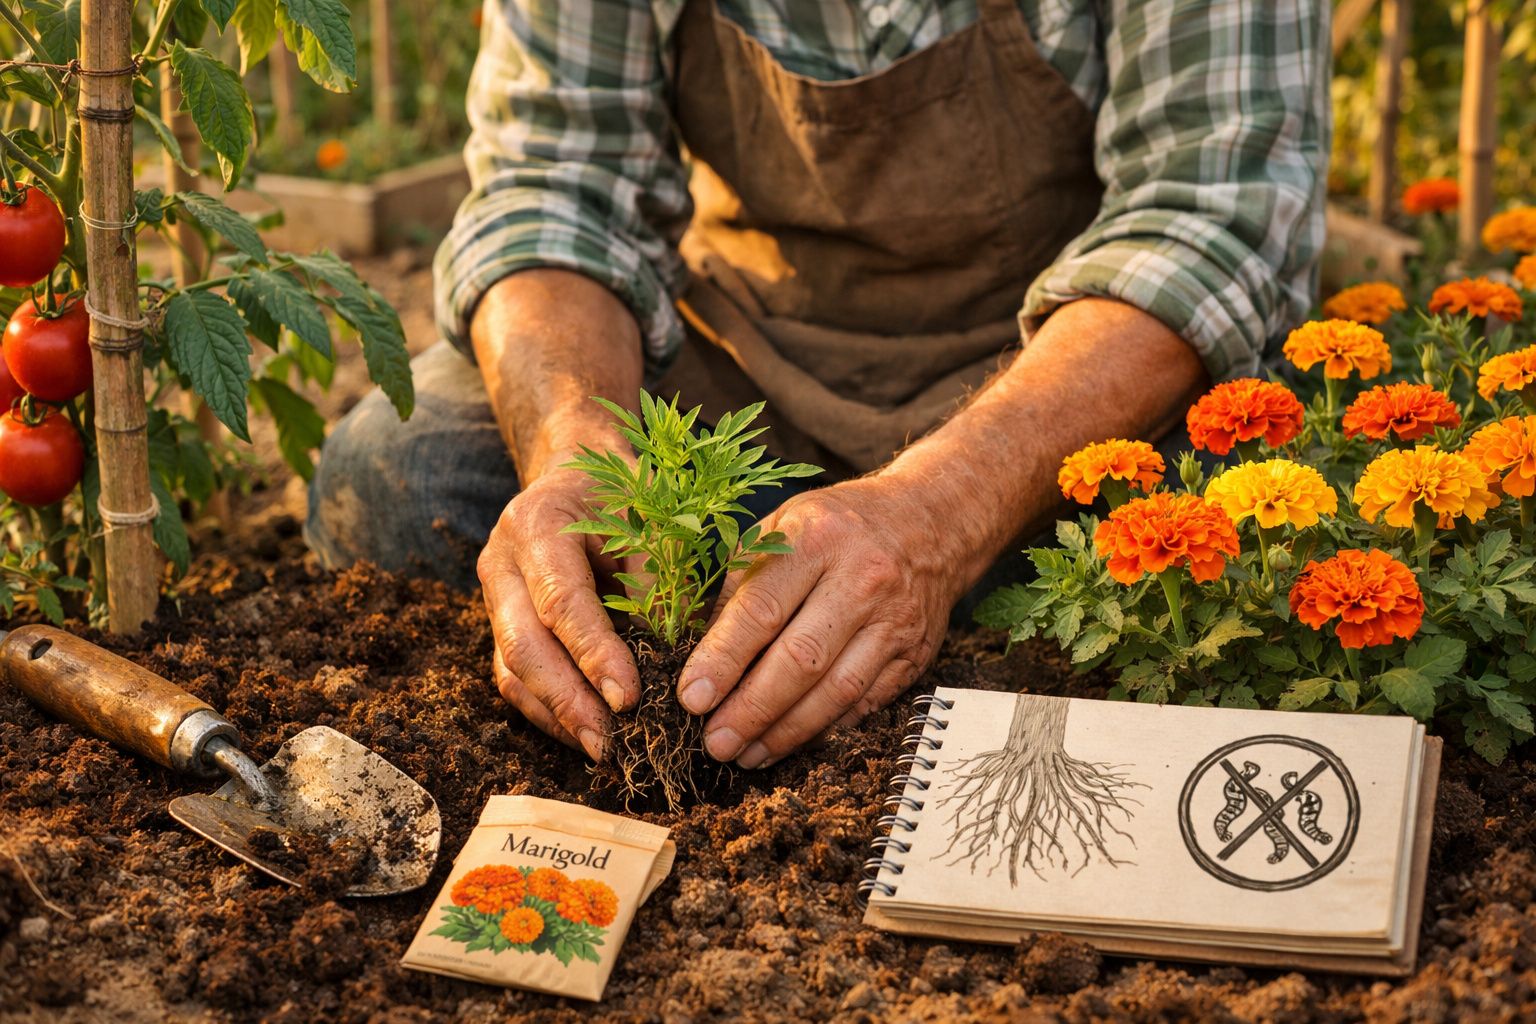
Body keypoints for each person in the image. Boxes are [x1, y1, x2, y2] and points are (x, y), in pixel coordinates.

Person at [307, 0, 1328, 769]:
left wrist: (939, 513)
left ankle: (842, 597)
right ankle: (808, 604)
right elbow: (554, 185)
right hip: (735, 357)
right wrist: (576, 445)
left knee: (1236, 558)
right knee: (409, 476)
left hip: (1055, 381)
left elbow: (1212, 214)